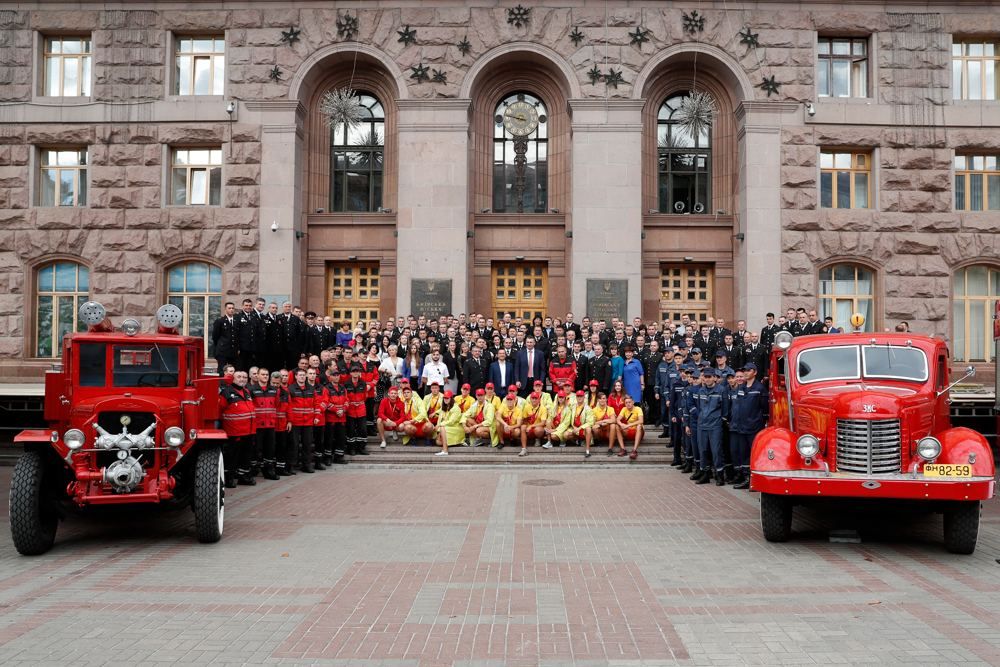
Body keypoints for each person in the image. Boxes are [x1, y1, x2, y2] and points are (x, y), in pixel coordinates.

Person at [730, 363, 769, 489]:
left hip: (754, 428)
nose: (745, 373)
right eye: (744, 370)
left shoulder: (760, 388)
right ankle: (746, 478)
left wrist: (759, 422)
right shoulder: (741, 387)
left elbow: (764, 409)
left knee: (753, 454)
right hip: (741, 427)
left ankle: (754, 479)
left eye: (748, 370)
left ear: (755, 372)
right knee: (743, 453)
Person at [693, 367, 729, 486]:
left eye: (709, 377)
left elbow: (725, 409)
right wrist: (701, 417)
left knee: (716, 451)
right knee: (702, 450)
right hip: (702, 425)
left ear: (714, 377)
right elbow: (699, 407)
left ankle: (720, 475)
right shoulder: (701, 391)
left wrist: (721, 420)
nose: (707, 379)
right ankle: (705, 474)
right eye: (705, 377)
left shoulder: (721, 390)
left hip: (715, 425)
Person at [220, 370, 255, 487]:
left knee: (246, 456)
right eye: (239, 377)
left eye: (244, 377)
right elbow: (219, 410)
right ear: (233, 379)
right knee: (232, 457)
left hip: (249, 431)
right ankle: (228, 479)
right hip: (234, 432)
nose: (242, 379)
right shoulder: (226, 392)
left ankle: (243, 477)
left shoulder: (246, 391)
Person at [249, 367, 280, 480]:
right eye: (263, 374)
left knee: (270, 449)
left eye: (267, 375)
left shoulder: (274, 390)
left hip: (270, 425)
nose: (265, 376)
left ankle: (269, 471)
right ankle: (253, 471)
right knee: (256, 449)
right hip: (257, 425)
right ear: (257, 376)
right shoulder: (251, 390)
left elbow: (276, 405)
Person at [286, 368, 317, 473]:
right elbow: (289, 406)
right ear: (295, 376)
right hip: (295, 421)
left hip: (308, 421)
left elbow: (316, 403)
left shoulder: (311, 389)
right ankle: (292, 465)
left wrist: (316, 416)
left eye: (304, 375)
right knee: (293, 444)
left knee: (307, 444)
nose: (302, 377)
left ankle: (306, 465)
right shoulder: (291, 389)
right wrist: (289, 420)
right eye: (300, 375)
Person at [344, 363, 369, 456]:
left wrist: (359, 402)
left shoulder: (363, 382)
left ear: (359, 373)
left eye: (357, 371)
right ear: (350, 373)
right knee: (350, 430)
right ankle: (351, 449)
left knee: (362, 429)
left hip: (361, 409)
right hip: (350, 409)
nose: (355, 373)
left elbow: (365, 395)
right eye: (353, 371)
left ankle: (361, 448)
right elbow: (345, 396)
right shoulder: (346, 383)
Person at [324, 366, 348, 464]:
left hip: (342, 417)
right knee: (329, 439)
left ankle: (339, 457)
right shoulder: (326, 388)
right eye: (335, 375)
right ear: (330, 377)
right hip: (331, 418)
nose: (337, 377)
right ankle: (328, 458)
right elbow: (326, 403)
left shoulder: (343, 388)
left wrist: (343, 409)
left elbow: (347, 401)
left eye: (338, 375)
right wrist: (336, 410)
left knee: (341, 438)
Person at [613, 395, 644, 459]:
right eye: (626, 403)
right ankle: (623, 449)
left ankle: (634, 450)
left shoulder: (638, 409)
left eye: (629, 402)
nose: (628, 404)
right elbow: (617, 419)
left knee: (639, 426)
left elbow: (641, 421)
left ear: (633, 402)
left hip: (638, 431)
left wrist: (628, 425)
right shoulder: (624, 409)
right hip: (628, 431)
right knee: (616, 426)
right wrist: (621, 425)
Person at [211, 301, 238, 374]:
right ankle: (221, 385)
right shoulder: (220, 321)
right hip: (223, 350)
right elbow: (215, 336)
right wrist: (220, 345)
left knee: (233, 370)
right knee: (222, 370)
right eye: (229, 308)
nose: (231, 310)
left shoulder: (236, 321)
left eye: (233, 308)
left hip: (233, 351)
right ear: (225, 309)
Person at [435, 391, 464, 456]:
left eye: (447, 398)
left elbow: (451, 421)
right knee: (438, 442)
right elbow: (439, 414)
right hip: (447, 427)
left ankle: (445, 450)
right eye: (444, 398)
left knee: (442, 427)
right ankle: (455, 443)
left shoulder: (456, 408)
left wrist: (439, 425)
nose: (445, 399)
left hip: (456, 427)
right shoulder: (444, 407)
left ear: (451, 398)